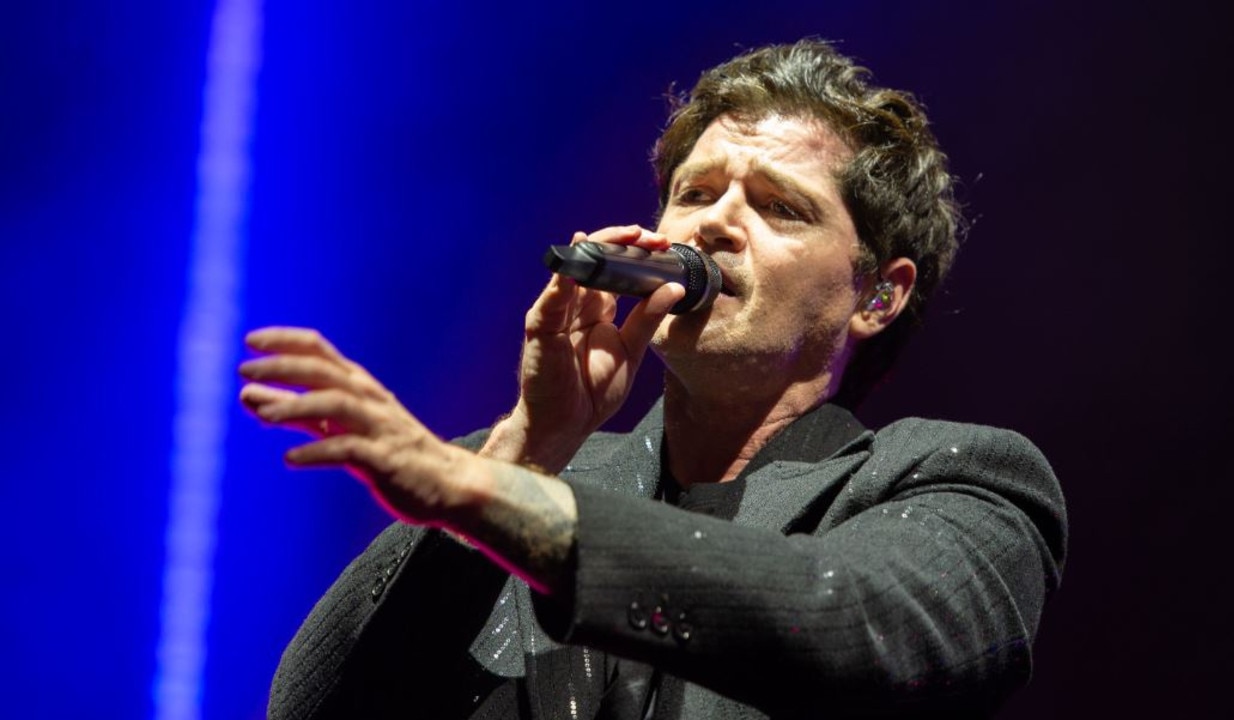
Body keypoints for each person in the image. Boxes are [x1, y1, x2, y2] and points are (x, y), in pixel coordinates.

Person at [240, 40, 1067, 719]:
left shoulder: (952, 483)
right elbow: (317, 711)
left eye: (780, 206)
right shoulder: (506, 478)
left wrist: (489, 494)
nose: (712, 223)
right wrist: (521, 455)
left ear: (878, 296)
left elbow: (852, 623)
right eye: (695, 192)